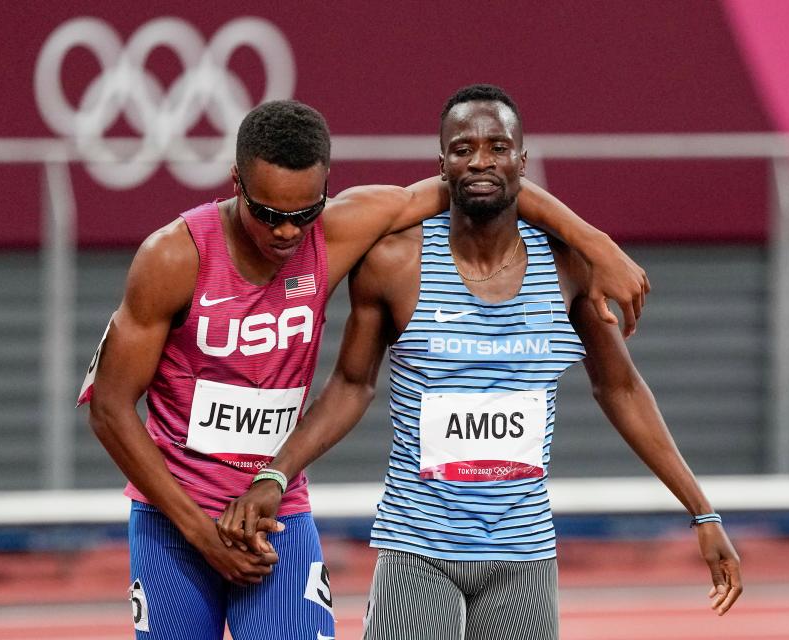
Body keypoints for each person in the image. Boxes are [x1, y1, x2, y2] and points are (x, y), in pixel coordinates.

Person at [79, 98, 649, 640]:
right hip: (173, 520)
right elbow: (109, 408)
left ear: (326, 190)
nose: (285, 232)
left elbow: (482, 183)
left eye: (303, 212)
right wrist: (203, 535)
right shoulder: (173, 257)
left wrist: (598, 246)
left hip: (275, 514)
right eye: (268, 214)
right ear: (236, 184)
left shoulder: (335, 233)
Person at [223, 86, 742, 639]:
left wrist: (702, 511)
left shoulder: (568, 267)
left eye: (498, 147)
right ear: (440, 164)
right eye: (462, 148)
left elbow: (622, 390)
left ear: (523, 159)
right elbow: (351, 385)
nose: (480, 161)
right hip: (417, 550)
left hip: (523, 557)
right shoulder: (395, 263)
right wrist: (277, 472)